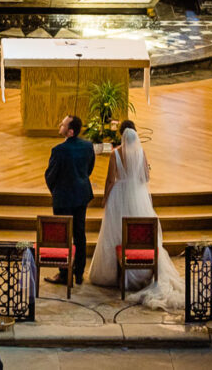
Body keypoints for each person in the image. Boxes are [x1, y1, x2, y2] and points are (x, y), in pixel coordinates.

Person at [87, 127, 185, 310]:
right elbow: (146, 177)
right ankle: (143, 273)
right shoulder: (141, 152)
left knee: (114, 232)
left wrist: (106, 198)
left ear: (122, 138)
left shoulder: (115, 153)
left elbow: (110, 179)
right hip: (138, 195)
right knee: (140, 229)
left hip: (118, 195)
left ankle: (112, 274)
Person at [43, 115, 95, 287]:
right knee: (80, 234)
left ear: (70, 131)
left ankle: (64, 274)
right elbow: (89, 169)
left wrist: (56, 191)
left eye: (63, 124)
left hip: (64, 198)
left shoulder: (58, 150)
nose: (60, 125)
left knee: (63, 236)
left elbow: (50, 176)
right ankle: (79, 274)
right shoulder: (88, 146)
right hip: (81, 196)